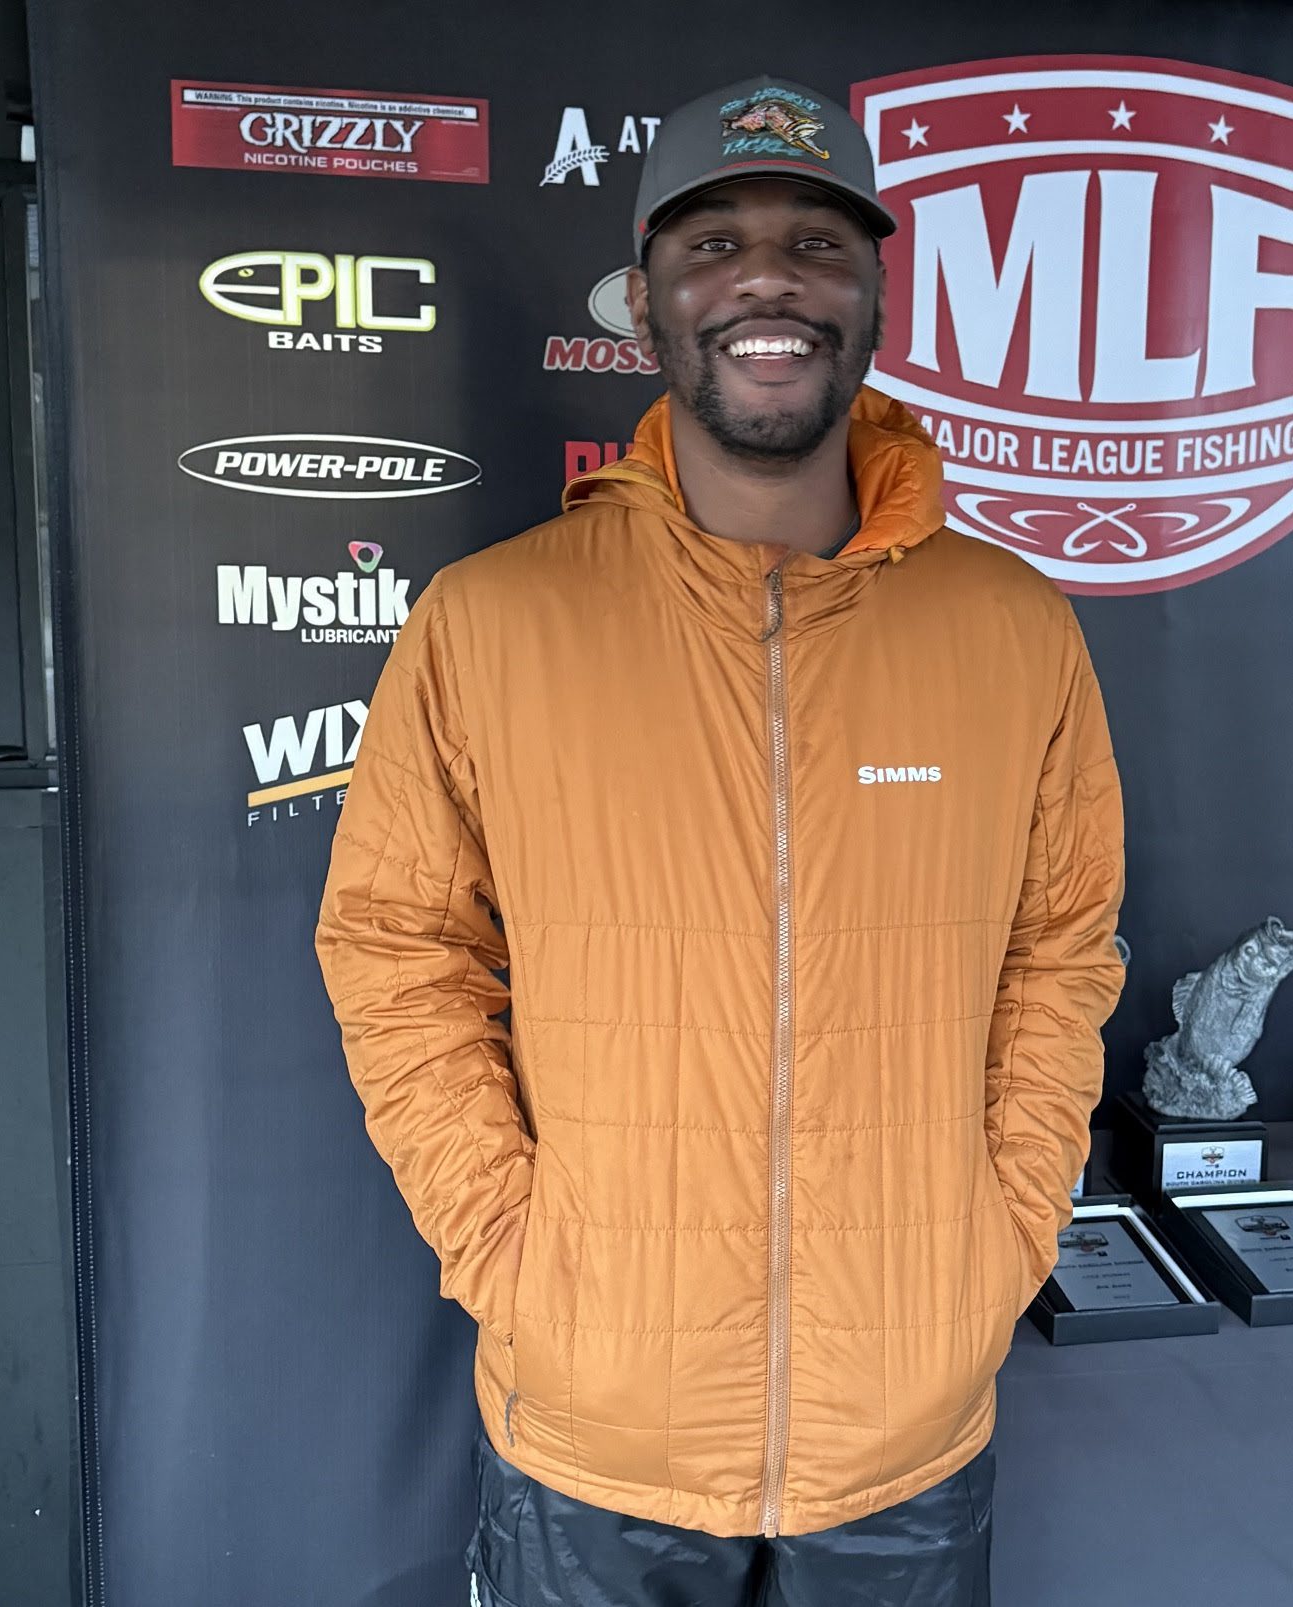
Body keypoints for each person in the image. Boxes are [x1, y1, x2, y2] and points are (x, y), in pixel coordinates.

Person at [314, 72, 1126, 1607]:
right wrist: (515, 1255)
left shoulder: (1012, 628)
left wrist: (999, 1240)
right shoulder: (493, 621)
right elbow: (396, 949)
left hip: (904, 1427)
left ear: (874, 297)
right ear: (644, 302)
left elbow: (1059, 949)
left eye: (817, 244)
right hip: (593, 1429)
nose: (767, 279)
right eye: (712, 244)